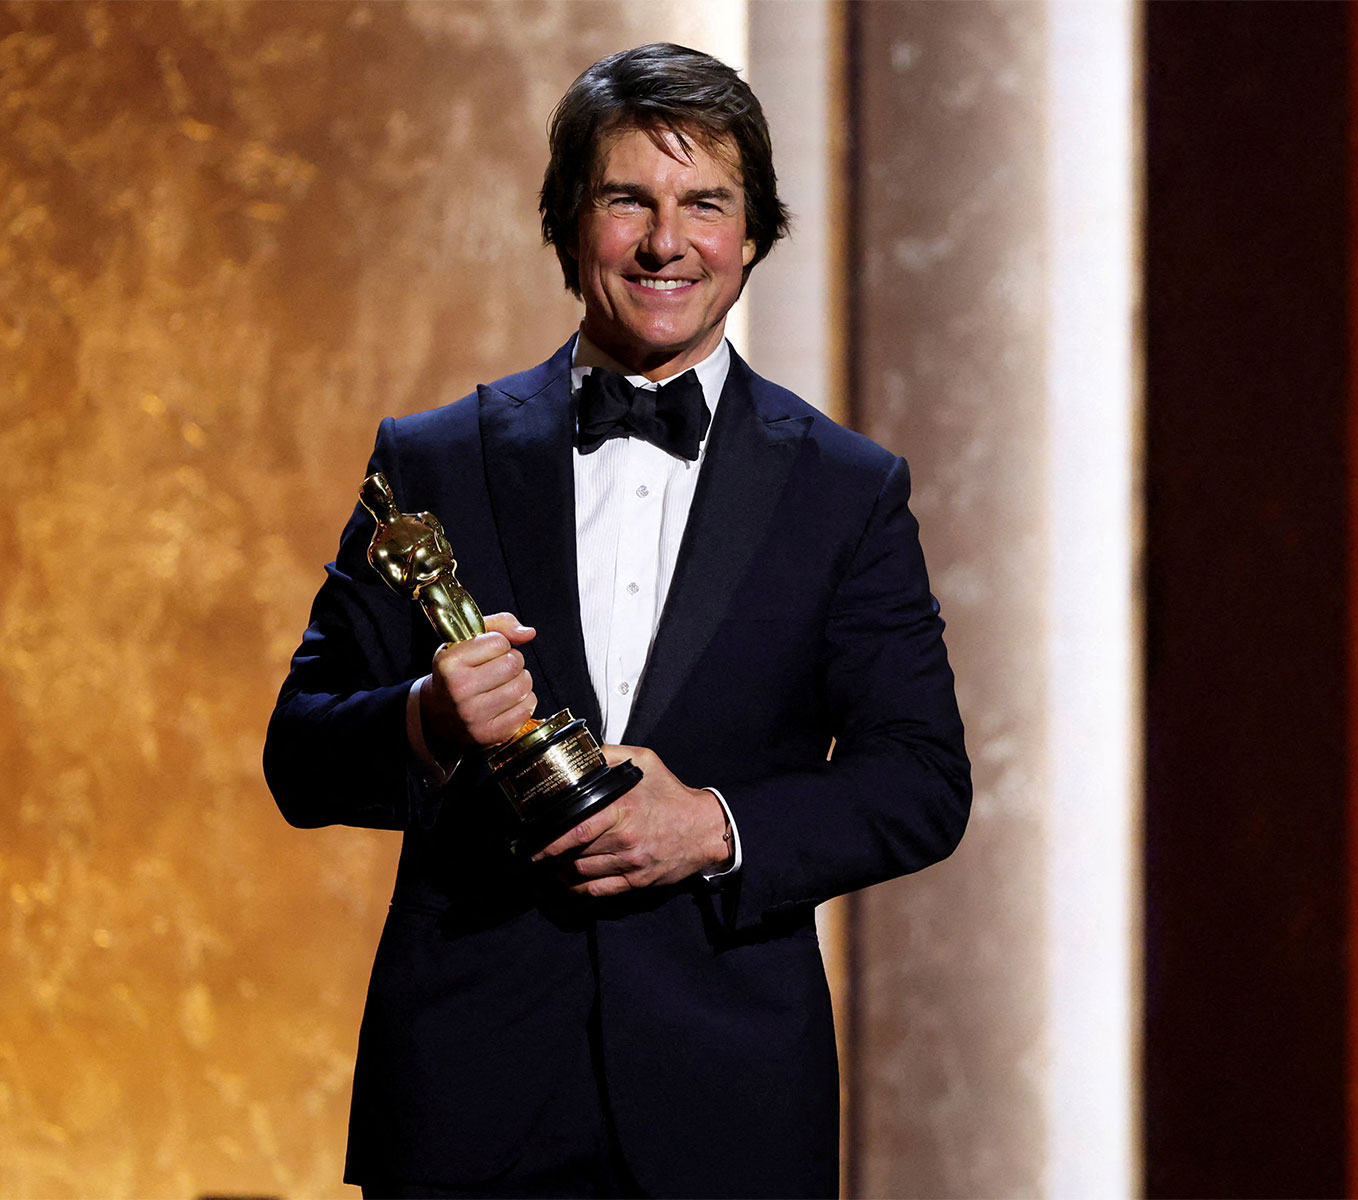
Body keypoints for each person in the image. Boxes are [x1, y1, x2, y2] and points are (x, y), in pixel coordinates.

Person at [264, 42, 970, 1199]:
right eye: (625, 199)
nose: (664, 241)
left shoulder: (847, 489)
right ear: (564, 224)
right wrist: (428, 720)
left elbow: (922, 781)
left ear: (752, 236)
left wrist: (715, 826)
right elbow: (298, 755)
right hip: (465, 1100)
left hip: (731, 1107)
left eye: (705, 203)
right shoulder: (431, 460)